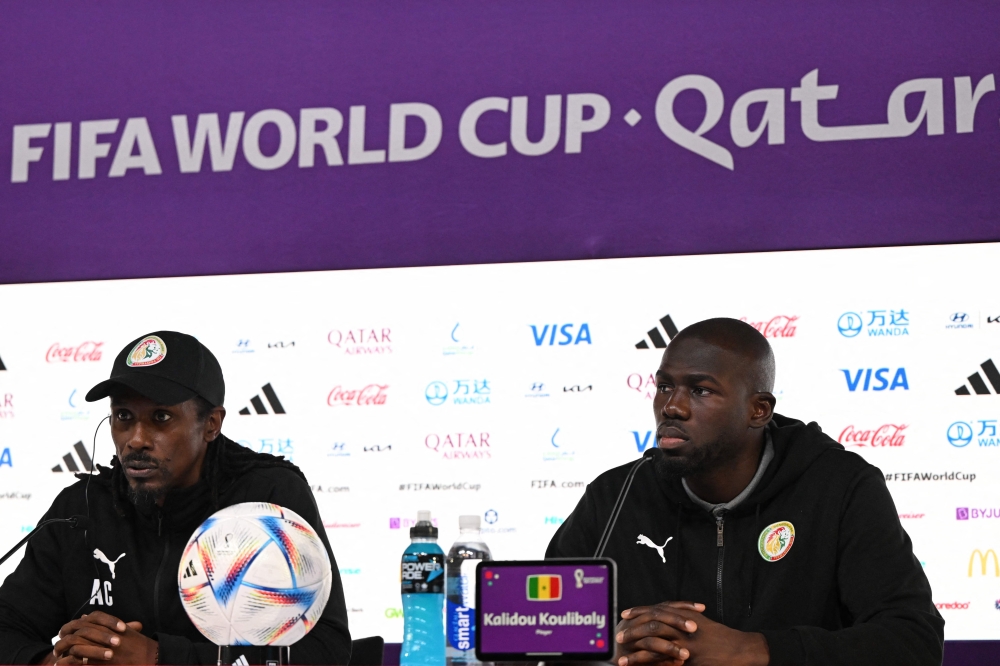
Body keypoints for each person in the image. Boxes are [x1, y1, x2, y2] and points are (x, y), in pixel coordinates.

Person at [546, 318, 942, 666]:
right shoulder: (615, 495)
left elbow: (913, 640)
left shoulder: (840, 487)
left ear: (758, 410)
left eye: (700, 390)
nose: (672, 407)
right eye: (665, 386)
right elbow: (543, 633)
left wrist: (752, 650)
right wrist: (614, 650)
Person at [0, 331, 352, 665]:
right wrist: (51, 660)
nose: (136, 439)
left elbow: (325, 648)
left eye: (161, 417)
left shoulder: (268, 497)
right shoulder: (82, 508)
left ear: (211, 424)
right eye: (124, 416)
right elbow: (8, 625)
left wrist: (161, 659)